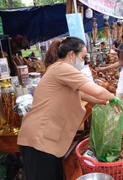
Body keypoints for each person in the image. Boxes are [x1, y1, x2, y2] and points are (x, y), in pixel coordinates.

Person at [17, 37, 115, 180]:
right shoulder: (62, 68)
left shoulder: (59, 70)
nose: (84, 61)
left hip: (47, 140)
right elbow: (97, 91)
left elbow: (85, 94)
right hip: (38, 139)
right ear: (71, 55)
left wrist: (105, 102)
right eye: (82, 57)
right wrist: (116, 97)